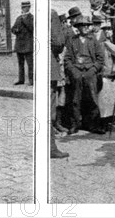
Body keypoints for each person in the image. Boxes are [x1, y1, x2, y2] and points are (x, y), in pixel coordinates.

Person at [64, 15, 105, 135]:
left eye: (88, 25)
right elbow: (67, 60)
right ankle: (75, 124)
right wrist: (74, 72)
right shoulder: (72, 41)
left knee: (92, 99)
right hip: (77, 72)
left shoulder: (94, 41)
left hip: (90, 73)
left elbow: (100, 59)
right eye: (84, 26)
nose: (86, 28)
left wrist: (92, 70)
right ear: (78, 28)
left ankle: (93, 125)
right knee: (75, 99)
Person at [50, 9, 69, 159]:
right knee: (49, 111)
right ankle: (51, 148)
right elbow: (58, 42)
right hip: (49, 66)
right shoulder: (51, 14)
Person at [11, 1, 34, 86]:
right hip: (19, 44)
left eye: (26, 7)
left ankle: (32, 80)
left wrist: (24, 20)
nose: (24, 9)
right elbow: (13, 28)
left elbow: (32, 28)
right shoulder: (18, 18)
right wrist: (15, 30)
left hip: (28, 45)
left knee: (30, 64)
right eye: (23, 7)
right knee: (21, 64)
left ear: (29, 7)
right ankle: (21, 80)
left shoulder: (31, 17)